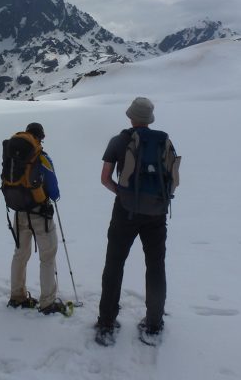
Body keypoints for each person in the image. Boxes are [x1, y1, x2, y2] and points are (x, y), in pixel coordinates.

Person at [95, 97, 176, 345]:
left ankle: (107, 322)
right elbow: (172, 178)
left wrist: (124, 194)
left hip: (125, 212)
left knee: (114, 264)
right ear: (149, 119)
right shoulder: (164, 141)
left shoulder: (119, 141)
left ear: (130, 117)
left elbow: (105, 179)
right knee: (155, 265)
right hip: (156, 214)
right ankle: (154, 322)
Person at [8, 122, 66, 315]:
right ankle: (48, 302)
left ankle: (17, 296)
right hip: (40, 213)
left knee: (20, 254)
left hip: (19, 212)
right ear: (40, 137)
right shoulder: (41, 156)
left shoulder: (13, 156)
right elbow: (54, 189)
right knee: (47, 257)